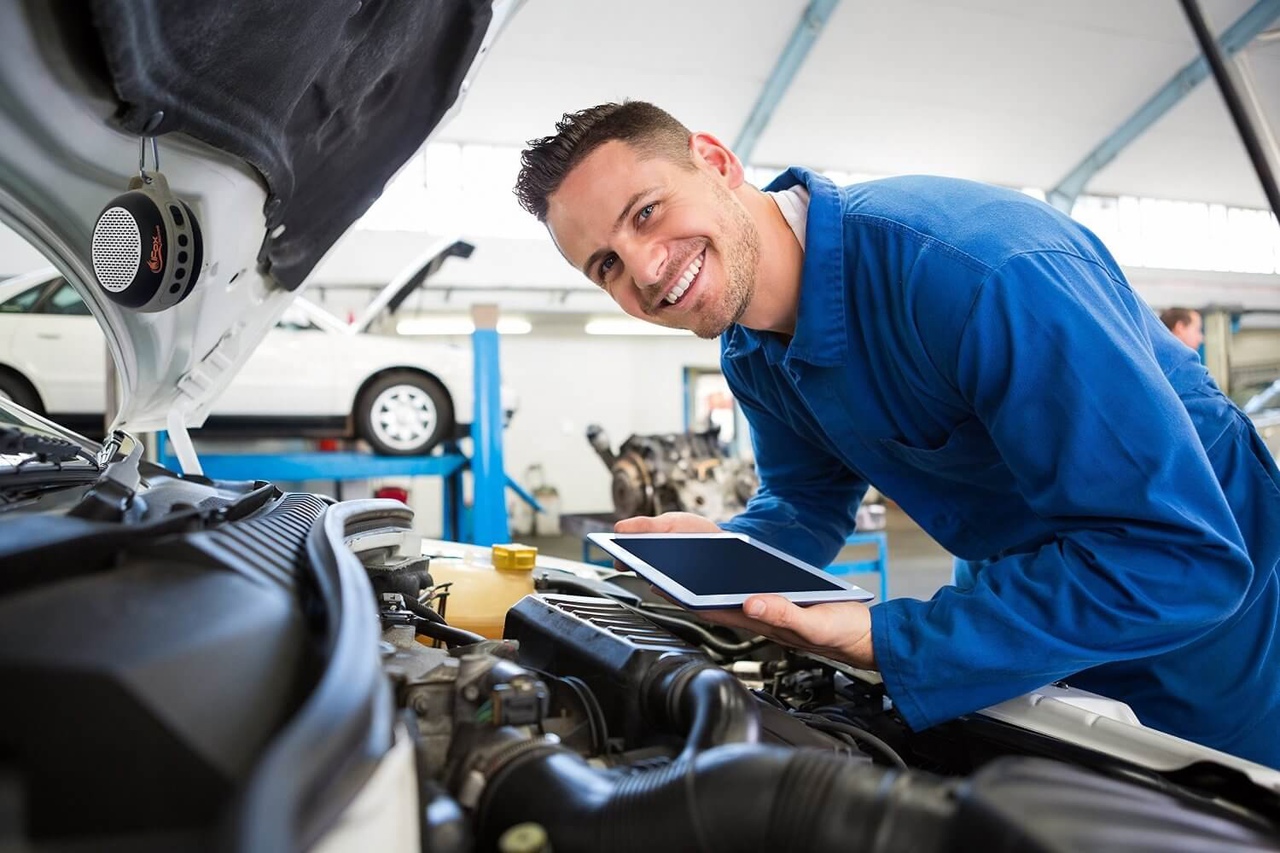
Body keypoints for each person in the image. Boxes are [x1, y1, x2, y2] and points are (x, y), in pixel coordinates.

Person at [513, 101, 1280, 767]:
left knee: (1215, 809)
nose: (644, 271)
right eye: (606, 264)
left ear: (715, 160)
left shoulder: (977, 271)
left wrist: (891, 638)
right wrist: (724, 557)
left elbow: (1181, 560)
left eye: (646, 212)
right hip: (1029, 591)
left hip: (1207, 617)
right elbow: (806, 503)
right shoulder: (750, 351)